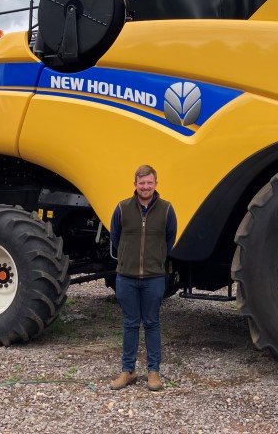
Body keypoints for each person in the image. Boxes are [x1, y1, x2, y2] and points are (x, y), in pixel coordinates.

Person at [109, 164, 177, 391]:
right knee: (130, 323)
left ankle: (153, 372)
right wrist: (128, 259)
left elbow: (170, 239)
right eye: (141, 183)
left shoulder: (167, 210)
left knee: (152, 323)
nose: (145, 187)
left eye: (149, 183)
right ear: (135, 184)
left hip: (154, 277)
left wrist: (154, 259)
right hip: (126, 277)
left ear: (156, 184)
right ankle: (127, 371)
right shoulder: (121, 208)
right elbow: (116, 238)